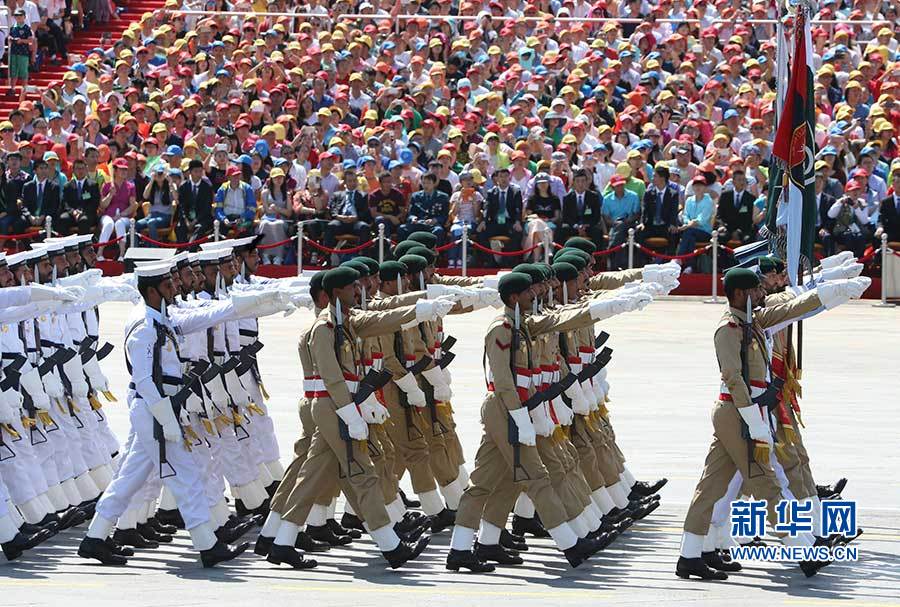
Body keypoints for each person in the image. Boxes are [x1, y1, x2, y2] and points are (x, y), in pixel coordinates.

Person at [676, 267, 868, 581]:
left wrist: (836, 292)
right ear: (739, 294)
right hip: (736, 414)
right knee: (767, 483)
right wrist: (754, 420)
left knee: (711, 487)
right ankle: (805, 552)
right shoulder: (727, 328)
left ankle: (693, 554)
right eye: (755, 291)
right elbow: (732, 377)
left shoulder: (753, 321)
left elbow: (792, 309)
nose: (761, 295)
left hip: (744, 414)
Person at [478, 167, 524, 266]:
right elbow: (487, 208)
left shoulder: (515, 191)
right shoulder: (491, 192)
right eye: (501, 177)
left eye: (506, 176)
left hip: (510, 221)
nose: (503, 179)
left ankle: (509, 263)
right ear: (496, 179)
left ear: (509, 178)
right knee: (481, 233)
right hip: (495, 221)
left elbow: (518, 208)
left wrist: (517, 221)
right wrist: (484, 221)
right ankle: (491, 261)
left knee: (517, 234)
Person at [97, 160, 137, 261]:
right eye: (121, 169)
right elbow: (102, 205)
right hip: (108, 215)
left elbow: (132, 206)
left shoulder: (130, 186)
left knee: (119, 224)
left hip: (124, 217)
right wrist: (110, 195)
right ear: (115, 171)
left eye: (125, 169)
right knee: (108, 224)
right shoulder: (106, 186)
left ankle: (122, 254)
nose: (124, 172)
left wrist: (121, 214)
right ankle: (99, 253)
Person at [324, 165, 371, 250]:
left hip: (355, 222)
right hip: (340, 222)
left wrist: (356, 217)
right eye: (350, 181)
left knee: (364, 227)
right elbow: (332, 209)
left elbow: (365, 212)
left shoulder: (363, 195)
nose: (352, 183)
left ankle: (363, 254)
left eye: (354, 181)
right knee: (330, 226)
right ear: (345, 183)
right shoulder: (337, 195)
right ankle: (327, 255)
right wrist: (339, 217)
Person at [675, 175, 715, 271]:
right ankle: (690, 266)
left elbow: (702, 220)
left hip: (704, 232)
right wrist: (687, 224)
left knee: (688, 232)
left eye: (700, 185)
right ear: (692, 187)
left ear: (705, 187)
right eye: (696, 185)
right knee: (690, 236)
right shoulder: (689, 200)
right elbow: (685, 215)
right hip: (690, 231)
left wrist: (686, 226)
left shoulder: (708, 201)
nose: (698, 187)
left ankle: (679, 258)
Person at [638, 165, 681, 253]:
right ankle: (642, 261)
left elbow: (673, 211)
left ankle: (668, 261)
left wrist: (673, 224)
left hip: (665, 226)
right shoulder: (649, 193)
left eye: (655, 176)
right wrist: (642, 223)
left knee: (674, 235)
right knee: (638, 234)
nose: (652, 178)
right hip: (651, 225)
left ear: (662, 178)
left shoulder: (673, 194)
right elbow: (644, 210)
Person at [602, 174, 641, 269]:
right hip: (614, 225)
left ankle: (611, 250)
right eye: (617, 185)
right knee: (619, 229)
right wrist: (616, 223)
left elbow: (637, 214)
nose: (620, 187)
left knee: (620, 229)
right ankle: (619, 262)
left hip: (630, 224)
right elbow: (606, 217)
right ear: (612, 187)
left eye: (621, 185)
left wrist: (625, 222)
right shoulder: (607, 199)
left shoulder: (633, 196)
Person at [399, 173, 450, 246]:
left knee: (438, 231)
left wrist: (435, 220)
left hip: (432, 224)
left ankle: (436, 254)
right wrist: (413, 218)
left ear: (434, 183)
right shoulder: (415, 196)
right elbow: (411, 213)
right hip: (418, 222)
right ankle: (404, 251)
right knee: (402, 229)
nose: (426, 185)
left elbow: (444, 215)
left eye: (428, 183)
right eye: (423, 183)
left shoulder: (443, 197)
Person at [257, 167, 294, 264]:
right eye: (276, 177)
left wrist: (278, 209)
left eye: (281, 177)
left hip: (281, 219)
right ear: (271, 179)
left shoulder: (287, 194)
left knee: (278, 224)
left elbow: (289, 213)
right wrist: (277, 210)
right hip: (267, 217)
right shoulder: (265, 192)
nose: (278, 180)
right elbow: (267, 210)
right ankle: (265, 255)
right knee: (265, 224)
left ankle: (279, 256)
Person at [559, 168, 604, 246]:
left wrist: (586, 225)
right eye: (578, 181)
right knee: (560, 231)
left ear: (587, 182)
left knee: (598, 232)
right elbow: (565, 217)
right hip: (573, 226)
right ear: (573, 183)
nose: (580, 184)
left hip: (588, 226)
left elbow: (597, 217)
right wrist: (576, 226)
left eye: (583, 181)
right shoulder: (567, 198)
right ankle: (559, 255)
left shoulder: (593, 196)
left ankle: (597, 256)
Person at [447, 171, 483, 268]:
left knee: (465, 231)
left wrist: (474, 200)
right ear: (461, 182)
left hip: (471, 221)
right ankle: (452, 259)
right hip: (459, 221)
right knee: (456, 231)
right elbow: (453, 213)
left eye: (470, 179)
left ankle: (460, 259)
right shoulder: (456, 195)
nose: (468, 182)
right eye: (465, 180)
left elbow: (476, 214)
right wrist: (459, 198)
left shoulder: (478, 195)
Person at [523, 173, 561, 262]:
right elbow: (528, 216)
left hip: (549, 223)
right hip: (533, 223)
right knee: (537, 224)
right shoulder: (532, 199)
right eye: (540, 183)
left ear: (549, 184)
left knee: (536, 232)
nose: (543, 185)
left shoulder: (555, 199)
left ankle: (536, 260)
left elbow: (557, 217)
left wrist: (548, 220)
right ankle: (548, 246)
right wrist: (538, 219)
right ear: (536, 185)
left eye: (545, 182)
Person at [176, 159, 214, 242]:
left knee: (200, 228)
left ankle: (191, 249)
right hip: (187, 218)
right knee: (180, 227)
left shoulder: (207, 187)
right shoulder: (184, 186)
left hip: (202, 218)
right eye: (196, 171)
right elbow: (182, 206)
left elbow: (206, 208)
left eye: (200, 171)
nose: (198, 174)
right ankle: (182, 251)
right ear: (190, 172)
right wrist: (186, 220)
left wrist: (195, 221)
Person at [136, 165, 177, 243]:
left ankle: (153, 247)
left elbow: (176, 198)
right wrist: (152, 180)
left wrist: (170, 183)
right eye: (157, 173)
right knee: (137, 224)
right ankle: (136, 246)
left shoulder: (170, 185)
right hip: (152, 215)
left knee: (151, 223)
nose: (159, 175)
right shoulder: (152, 186)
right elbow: (145, 195)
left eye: (161, 173)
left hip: (165, 216)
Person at [59, 158, 101, 235]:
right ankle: (67, 244)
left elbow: (94, 203)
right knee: (63, 219)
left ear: (86, 169)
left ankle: (84, 245)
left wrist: (81, 212)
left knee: (83, 221)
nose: (80, 171)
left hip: (87, 213)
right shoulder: (68, 186)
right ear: (73, 170)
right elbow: (65, 203)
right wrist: (73, 212)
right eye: (78, 168)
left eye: (82, 168)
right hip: (72, 213)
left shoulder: (93, 185)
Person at [214, 166, 257, 236]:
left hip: (243, 218)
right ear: (228, 177)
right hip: (227, 218)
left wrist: (243, 217)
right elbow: (218, 209)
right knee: (220, 230)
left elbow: (252, 208)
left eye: (238, 175)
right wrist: (224, 219)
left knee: (244, 229)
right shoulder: (222, 189)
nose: (236, 178)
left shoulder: (247, 188)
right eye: (233, 176)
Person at [716, 169, 756, 244]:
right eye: (739, 180)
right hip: (727, 228)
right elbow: (719, 215)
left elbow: (750, 219)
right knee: (720, 237)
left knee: (748, 239)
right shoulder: (725, 196)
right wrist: (722, 226)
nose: (742, 182)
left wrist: (739, 230)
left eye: (744, 180)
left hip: (743, 230)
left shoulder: (751, 198)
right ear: (733, 182)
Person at [20, 160, 61, 231]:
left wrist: (42, 216)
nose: (44, 170)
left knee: (50, 222)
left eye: (46, 168)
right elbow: (24, 205)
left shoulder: (54, 187)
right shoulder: (27, 186)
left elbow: (54, 206)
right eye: (41, 168)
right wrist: (30, 216)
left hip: (46, 216)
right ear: (35, 171)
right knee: (19, 223)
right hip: (31, 216)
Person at [368, 173, 405, 239]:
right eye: (385, 182)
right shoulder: (374, 195)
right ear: (380, 183)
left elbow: (402, 211)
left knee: (403, 228)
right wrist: (390, 217)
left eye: (390, 181)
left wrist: (396, 218)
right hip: (380, 222)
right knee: (380, 219)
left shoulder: (398, 194)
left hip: (395, 221)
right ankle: (387, 243)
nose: (388, 184)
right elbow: (373, 214)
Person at [8, 9, 31, 100]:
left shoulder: (26, 28)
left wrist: (21, 41)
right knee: (13, 71)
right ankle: (12, 89)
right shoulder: (13, 27)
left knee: (23, 72)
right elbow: (9, 36)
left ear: (24, 17)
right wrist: (11, 38)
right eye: (17, 16)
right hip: (14, 52)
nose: (18, 17)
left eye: (20, 16)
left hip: (23, 53)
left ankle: (24, 90)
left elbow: (30, 40)